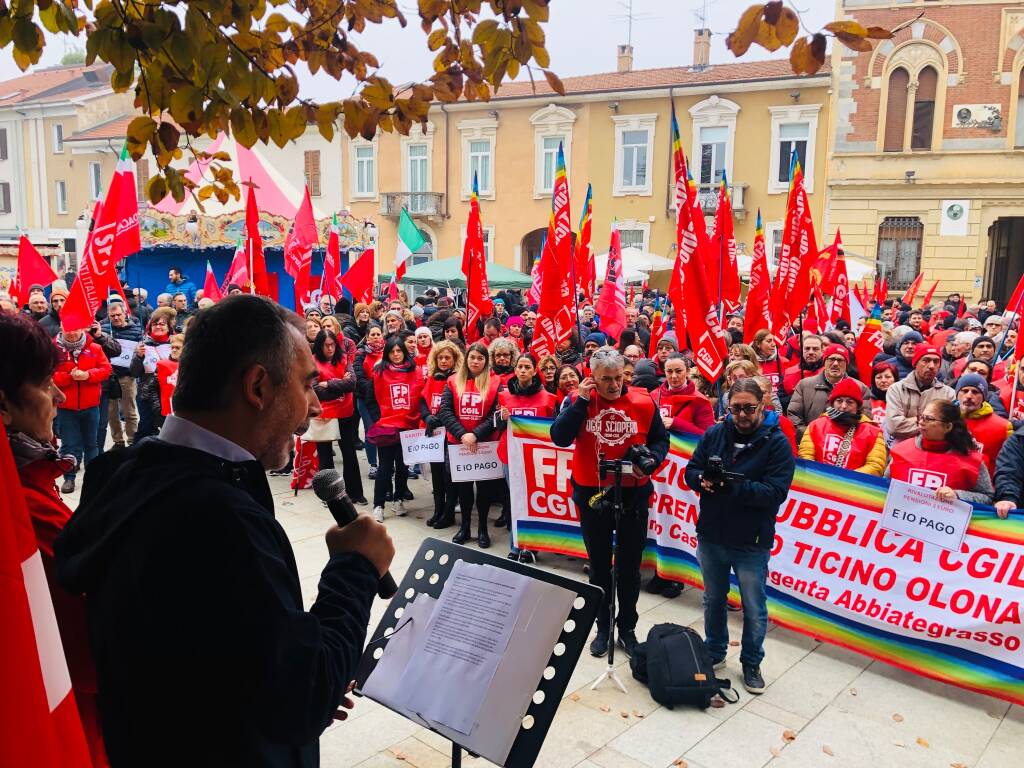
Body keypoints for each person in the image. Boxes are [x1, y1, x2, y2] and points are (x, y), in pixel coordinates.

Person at [54, 295, 394, 767]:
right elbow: (301, 698)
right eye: (306, 384)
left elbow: (210, 648)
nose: (314, 405)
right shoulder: (218, 518)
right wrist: (355, 570)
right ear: (257, 386)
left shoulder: (121, 471)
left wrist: (293, 661)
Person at [0, 313, 107, 765]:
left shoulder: (31, 483)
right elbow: (89, 650)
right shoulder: (21, 511)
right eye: (46, 384)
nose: (59, 396)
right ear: (4, 405)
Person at [550, 349, 669, 659]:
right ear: (593, 378)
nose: (615, 385)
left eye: (620, 378)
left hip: (633, 493)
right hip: (593, 493)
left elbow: (660, 440)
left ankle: (627, 627)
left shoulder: (644, 402)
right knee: (600, 568)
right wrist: (581, 401)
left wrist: (653, 460)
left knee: (630, 569)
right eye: (606, 379)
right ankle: (603, 627)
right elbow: (559, 437)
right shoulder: (579, 400)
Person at [684, 379, 796, 694]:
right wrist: (702, 481)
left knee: (753, 606)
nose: (742, 414)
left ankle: (751, 662)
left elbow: (775, 493)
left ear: (762, 406)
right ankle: (715, 650)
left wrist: (733, 486)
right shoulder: (715, 434)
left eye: (749, 407)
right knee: (712, 599)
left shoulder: (777, 443)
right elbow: (690, 470)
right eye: (736, 408)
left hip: (752, 541)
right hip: (712, 534)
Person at [437, 342, 501, 547]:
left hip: (484, 445)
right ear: (466, 359)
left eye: (480, 358)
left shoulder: (495, 382)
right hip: (459, 445)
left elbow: (496, 414)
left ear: (486, 361)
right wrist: (463, 434)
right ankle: (464, 527)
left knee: (484, 490)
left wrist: (476, 434)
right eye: (472, 357)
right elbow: (444, 411)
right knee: (463, 490)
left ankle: (482, 528)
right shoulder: (453, 381)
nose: (475, 361)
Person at [495, 354, 558, 558]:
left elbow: (554, 430)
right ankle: (516, 545)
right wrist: (501, 418)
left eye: (527, 367)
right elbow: (498, 426)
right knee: (515, 501)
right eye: (519, 367)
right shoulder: (504, 396)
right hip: (510, 457)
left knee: (533, 502)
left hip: (537, 459)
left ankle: (531, 545)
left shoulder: (549, 398)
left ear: (534, 371)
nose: (522, 371)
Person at [885, 399, 993, 505]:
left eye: (929, 419)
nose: (921, 422)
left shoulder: (972, 461)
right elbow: (883, 487)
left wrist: (958, 495)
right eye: (921, 417)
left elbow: (988, 497)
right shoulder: (901, 451)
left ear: (948, 427)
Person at [366, 337, 422, 522]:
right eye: (392, 351)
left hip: (408, 426)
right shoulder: (379, 372)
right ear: (387, 353)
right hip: (387, 427)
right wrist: (379, 419)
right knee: (384, 467)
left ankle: (398, 500)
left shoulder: (415, 371)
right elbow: (370, 398)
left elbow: (421, 397)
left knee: (403, 467)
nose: (396, 355)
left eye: (399, 351)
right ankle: (378, 506)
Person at [53, 325, 113, 494]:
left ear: (82, 329)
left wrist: (88, 375)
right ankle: (69, 477)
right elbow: (48, 375)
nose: (72, 332)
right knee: (69, 445)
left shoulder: (94, 347)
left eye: (76, 329)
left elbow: (106, 369)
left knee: (91, 444)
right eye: (68, 329)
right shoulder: (54, 350)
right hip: (66, 407)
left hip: (91, 405)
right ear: (61, 328)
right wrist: (68, 378)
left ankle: (93, 477)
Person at [311, 329, 365, 504]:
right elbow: (315, 389)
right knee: (325, 457)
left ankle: (355, 493)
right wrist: (338, 389)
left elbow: (352, 383)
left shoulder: (343, 358)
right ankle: (329, 496)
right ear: (319, 346)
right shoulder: (312, 363)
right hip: (324, 415)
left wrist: (330, 384)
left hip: (345, 413)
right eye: (326, 345)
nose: (330, 349)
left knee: (349, 454)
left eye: (333, 344)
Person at [798, 378, 886, 475]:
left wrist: (844, 480)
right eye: (839, 401)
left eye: (850, 402)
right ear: (832, 403)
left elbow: (875, 466)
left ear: (858, 407)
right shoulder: (815, 426)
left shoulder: (873, 432)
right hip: (817, 484)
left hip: (854, 487)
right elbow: (805, 457)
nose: (844, 406)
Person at [787, 344, 870, 441]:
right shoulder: (804, 385)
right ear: (824, 362)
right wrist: (810, 436)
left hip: (846, 447)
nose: (835, 363)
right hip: (810, 443)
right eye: (831, 359)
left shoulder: (861, 388)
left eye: (840, 360)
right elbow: (793, 415)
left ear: (846, 364)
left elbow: (865, 421)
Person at [421, 341, 464, 529]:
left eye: (447, 357)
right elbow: (422, 400)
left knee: (449, 475)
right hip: (434, 434)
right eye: (440, 358)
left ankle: (448, 512)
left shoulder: (458, 380)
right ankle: (438, 509)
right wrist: (427, 416)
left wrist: (442, 418)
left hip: (450, 434)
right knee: (437, 475)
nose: (444, 361)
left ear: (455, 360)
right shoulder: (431, 378)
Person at [885, 345, 956, 442]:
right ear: (915, 363)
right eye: (926, 360)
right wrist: (933, 425)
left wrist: (912, 420)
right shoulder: (896, 389)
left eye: (936, 361)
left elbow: (949, 428)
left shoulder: (948, 393)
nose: (931, 366)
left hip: (935, 450)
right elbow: (894, 427)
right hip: (902, 450)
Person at [129, 306, 177, 440]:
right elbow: (134, 372)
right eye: (155, 324)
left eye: (162, 324)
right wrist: (139, 357)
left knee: (170, 430)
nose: (158, 327)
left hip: (171, 395)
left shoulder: (176, 343)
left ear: (168, 327)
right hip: (147, 395)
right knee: (146, 428)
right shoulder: (142, 345)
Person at [103, 300, 143, 449]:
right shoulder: (104, 329)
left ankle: (132, 440)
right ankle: (118, 441)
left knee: (130, 411)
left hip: (127, 375)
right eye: (112, 315)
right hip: (109, 376)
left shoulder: (136, 329)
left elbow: (141, 351)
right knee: (111, 412)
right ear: (108, 315)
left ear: (125, 313)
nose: (116, 318)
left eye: (118, 314)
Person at [956, 373, 1011, 477]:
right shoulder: (946, 419)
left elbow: (1009, 466)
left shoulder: (1003, 427)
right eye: (964, 391)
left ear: (984, 397)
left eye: (975, 392)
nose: (968, 396)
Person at [354, 323, 385, 479]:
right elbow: (358, 377)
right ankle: (373, 465)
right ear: (366, 337)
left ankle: (386, 463)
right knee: (370, 431)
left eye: (378, 334)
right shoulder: (360, 354)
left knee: (386, 432)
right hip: (366, 399)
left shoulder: (389, 352)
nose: (376, 337)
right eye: (372, 334)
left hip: (385, 400)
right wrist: (374, 391)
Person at [870, 361, 897, 428]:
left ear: (895, 379)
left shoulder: (903, 398)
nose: (883, 380)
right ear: (873, 380)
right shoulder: (866, 399)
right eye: (879, 377)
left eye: (888, 377)